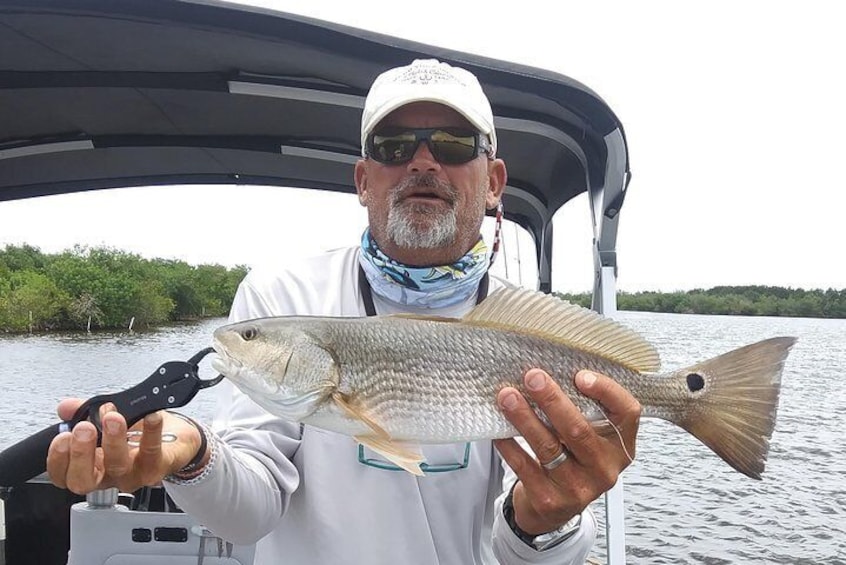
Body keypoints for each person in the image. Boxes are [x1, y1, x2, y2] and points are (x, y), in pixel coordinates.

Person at [46, 59, 641, 564]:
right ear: (363, 179)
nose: (423, 162)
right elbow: (249, 514)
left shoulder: (527, 325)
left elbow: (526, 551)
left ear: (494, 183)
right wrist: (194, 456)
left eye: (455, 145)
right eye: (393, 146)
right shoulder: (284, 295)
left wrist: (547, 519)